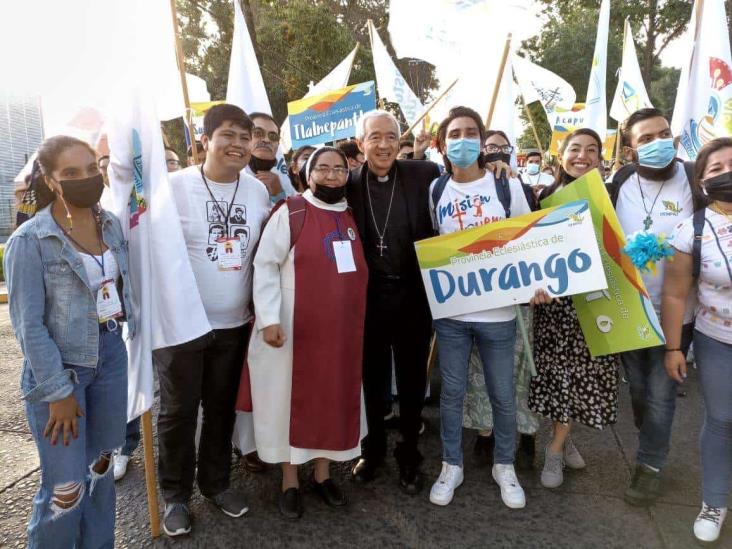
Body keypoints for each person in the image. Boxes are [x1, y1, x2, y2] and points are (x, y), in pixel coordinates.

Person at [4, 135, 135, 548]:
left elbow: (121, 292)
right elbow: (28, 326)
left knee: (99, 473)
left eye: (91, 168)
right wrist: (59, 392)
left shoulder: (110, 223)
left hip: (112, 358)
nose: (86, 178)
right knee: (66, 488)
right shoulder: (30, 240)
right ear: (51, 179)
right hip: (62, 374)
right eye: (71, 173)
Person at [155, 104, 271, 537]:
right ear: (205, 139)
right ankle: (175, 496)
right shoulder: (173, 188)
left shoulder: (258, 191)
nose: (239, 144)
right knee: (178, 413)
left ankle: (217, 484)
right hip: (181, 326)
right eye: (229, 135)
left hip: (234, 324)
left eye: (246, 136)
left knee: (220, 408)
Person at [246, 146, 368, 519]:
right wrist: (269, 319)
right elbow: (265, 266)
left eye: (339, 169)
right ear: (307, 174)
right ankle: (290, 481)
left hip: (340, 335)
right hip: (293, 332)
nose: (332, 175)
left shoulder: (349, 214)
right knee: (289, 405)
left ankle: (322, 474)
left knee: (330, 402)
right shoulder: (292, 212)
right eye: (324, 169)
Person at [427, 106, 538, 509]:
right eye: (454, 133)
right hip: (453, 315)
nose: (463, 139)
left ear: (482, 138)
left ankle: (503, 465)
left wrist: (537, 284)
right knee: (452, 393)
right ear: (442, 143)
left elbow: (529, 244)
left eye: (470, 131)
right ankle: (451, 463)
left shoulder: (508, 187)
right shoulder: (436, 190)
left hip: (499, 316)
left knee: (503, 395)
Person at [347, 110, 439, 494]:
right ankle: (373, 449)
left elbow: (468, 181)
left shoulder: (425, 174)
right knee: (372, 377)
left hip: (413, 294)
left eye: (391, 137)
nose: (383, 145)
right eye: (375, 137)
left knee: (413, 377)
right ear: (360, 143)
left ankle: (410, 453)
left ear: (400, 140)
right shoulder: (348, 183)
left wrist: (498, 165)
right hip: (369, 296)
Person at [610, 108, 696, 507]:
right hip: (631, 309)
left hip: (678, 314)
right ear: (631, 150)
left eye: (664, 133)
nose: (658, 142)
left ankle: (649, 466)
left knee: (662, 395)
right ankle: (652, 439)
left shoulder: (695, 179)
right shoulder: (621, 181)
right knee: (641, 392)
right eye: (646, 139)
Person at [529, 128, 620, 488]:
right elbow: (530, 253)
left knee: (582, 378)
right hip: (554, 310)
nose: (582, 156)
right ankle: (560, 444)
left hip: (595, 304)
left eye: (591, 150)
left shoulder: (609, 197)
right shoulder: (543, 198)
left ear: (600, 157)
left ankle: (555, 448)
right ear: (560, 155)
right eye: (575, 149)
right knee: (557, 379)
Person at [662, 137, 732, 544]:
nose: (727, 173)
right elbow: (675, 292)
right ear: (702, 181)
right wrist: (674, 347)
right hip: (717, 339)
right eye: (716, 168)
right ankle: (715, 500)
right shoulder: (693, 229)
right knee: (722, 420)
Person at [245, 111, 296, 203]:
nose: (266, 139)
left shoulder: (287, 185)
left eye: (273, 136)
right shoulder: (228, 177)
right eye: (257, 133)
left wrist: (279, 195)